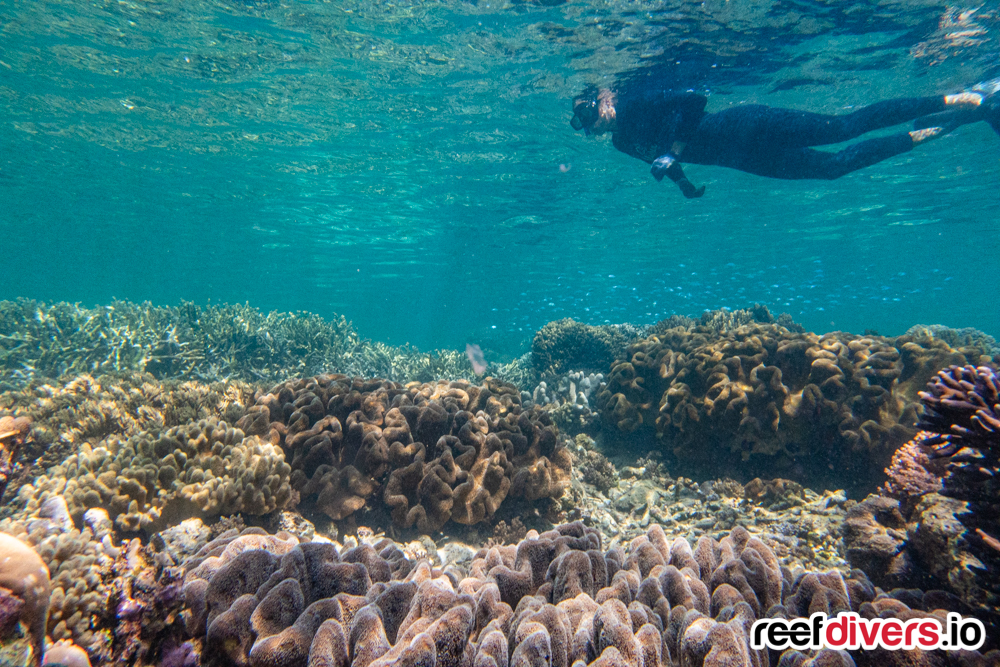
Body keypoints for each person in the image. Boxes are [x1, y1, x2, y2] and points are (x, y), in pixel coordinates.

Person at [569, 79, 1000, 198]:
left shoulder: (637, 102)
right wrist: (683, 183)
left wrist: (674, 151)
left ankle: (960, 97)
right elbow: (662, 160)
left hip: (747, 127)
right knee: (832, 169)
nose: (591, 126)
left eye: (588, 112)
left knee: (843, 127)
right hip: (744, 159)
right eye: (582, 124)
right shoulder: (621, 143)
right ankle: (941, 126)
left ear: (601, 100)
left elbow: (695, 99)